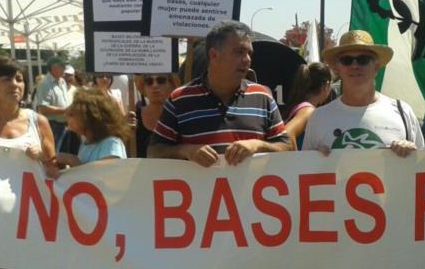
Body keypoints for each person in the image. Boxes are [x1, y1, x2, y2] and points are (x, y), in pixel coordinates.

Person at [148, 20, 292, 166]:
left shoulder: (263, 97)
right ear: (214, 55)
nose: (247, 59)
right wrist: (186, 151)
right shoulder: (179, 99)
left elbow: (287, 147)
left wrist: (257, 145)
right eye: (239, 52)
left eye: (249, 53)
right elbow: (154, 151)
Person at [301, 30, 423, 157]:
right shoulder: (318, 118)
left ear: (376, 67)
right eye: (346, 60)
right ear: (337, 69)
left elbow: (424, 168)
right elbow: (303, 170)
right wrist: (314, 159)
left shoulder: (403, 112)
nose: (354, 66)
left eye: (363, 60)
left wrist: (412, 154)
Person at [56, 88, 130, 167]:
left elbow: (107, 175)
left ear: (89, 118)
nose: (65, 116)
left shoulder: (111, 144)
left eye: (71, 114)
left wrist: (72, 160)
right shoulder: (85, 143)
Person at [283, 62, 333, 150]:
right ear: (326, 86)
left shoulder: (301, 107)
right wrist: (299, 160)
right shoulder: (308, 110)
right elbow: (287, 135)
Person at [135, 73, 178, 158]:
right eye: (149, 81)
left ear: (172, 85)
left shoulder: (182, 116)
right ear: (143, 87)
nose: (155, 85)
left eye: (161, 80)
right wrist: (124, 132)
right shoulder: (134, 117)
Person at [34, 56, 72, 150]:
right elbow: (43, 109)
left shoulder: (62, 81)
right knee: (54, 155)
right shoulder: (44, 83)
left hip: (65, 125)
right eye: (62, 66)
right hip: (53, 126)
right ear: (54, 68)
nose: (65, 69)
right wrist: (65, 110)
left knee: (63, 155)